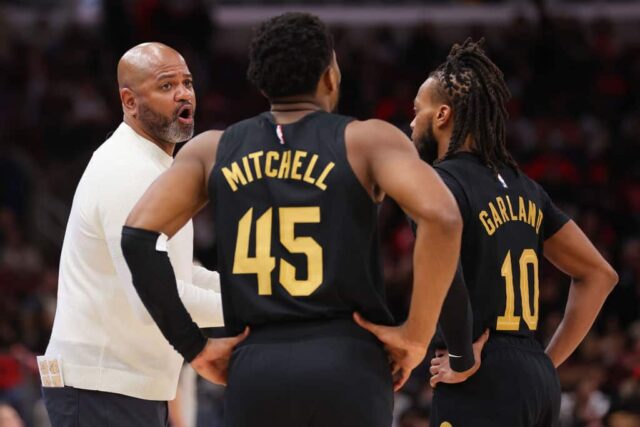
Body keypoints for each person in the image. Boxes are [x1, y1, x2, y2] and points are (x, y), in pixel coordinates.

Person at [120, 12, 462, 427]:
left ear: (262, 83)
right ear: (330, 77)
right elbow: (443, 217)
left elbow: (138, 237)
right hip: (348, 359)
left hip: (257, 367)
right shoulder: (367, 140)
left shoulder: (212, 149)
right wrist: (416, 336)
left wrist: (192, 345)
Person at [406, 38, 618, 427]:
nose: (411, 122)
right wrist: (541, 363)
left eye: (417, 111)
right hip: (533, 379)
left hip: (480, 374)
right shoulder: (527, 188)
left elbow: (444, 270)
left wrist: (461, 359)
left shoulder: (434, 183)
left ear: (442, 116)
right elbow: (599, 274)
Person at [41, 42, 229, 427]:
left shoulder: (154, 166)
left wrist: (256, 289)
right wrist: (253, 304)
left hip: (119, 387)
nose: (183, 93)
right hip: (99, 386)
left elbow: (179, 275)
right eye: (166, 86)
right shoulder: (129, 170)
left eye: (187, 83)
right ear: (129, 101)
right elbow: (151, 294)